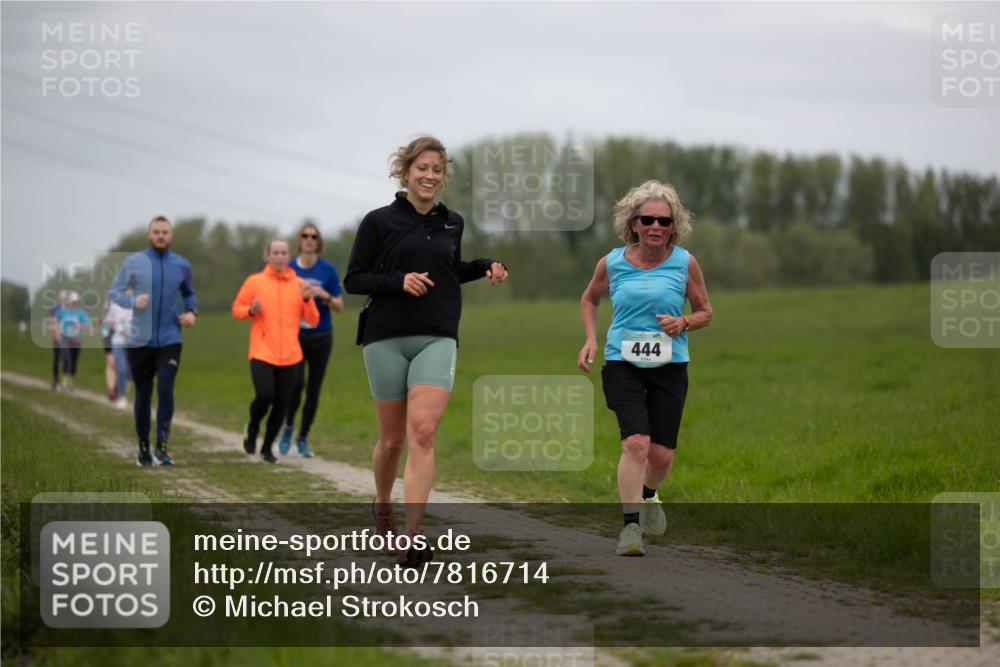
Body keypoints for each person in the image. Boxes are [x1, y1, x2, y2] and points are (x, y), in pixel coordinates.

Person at [344, 135, 508, 567]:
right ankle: (383, 506)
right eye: (423, 168)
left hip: (437, 334)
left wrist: (486, 264)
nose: (430, 176)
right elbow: (354, 279)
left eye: (437, 170)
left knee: (423, 432)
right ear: (405, 171)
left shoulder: (452, 222)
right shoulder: (378, 222)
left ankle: (413, 537)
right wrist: (397, 281)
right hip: (385, 337)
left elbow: (449, 269)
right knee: (393, 440)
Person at [578, 180, 713, 557]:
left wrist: (684, 323)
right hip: (622, 361)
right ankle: (630, 529)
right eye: (648, 219)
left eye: (665, 221)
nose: (656, 227)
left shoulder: (685, 262)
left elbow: (706, 312)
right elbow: (589, 299)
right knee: (635, 443)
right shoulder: (613, 262)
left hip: (669, 364)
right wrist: (590, 339)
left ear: (675, 225)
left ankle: (650, 494)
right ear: (633, 223)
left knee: (662, 455)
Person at [109, 215, 197, 467]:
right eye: (156, 232)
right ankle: (144, 447)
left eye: (165, 232)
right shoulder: (134, 262)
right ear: (150, 235)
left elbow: (189, 293)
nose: (161, 236)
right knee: (144, 394)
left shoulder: (181, 265)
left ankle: (162, 445)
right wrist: (133, 301)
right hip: (140, 339)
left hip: (170, 337)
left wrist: (191, 312)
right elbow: (114, 292)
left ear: (171, 236)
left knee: (166, 388)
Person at [232, 239, 320, 464]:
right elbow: (237, 309)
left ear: (288, 256)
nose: (280, 256)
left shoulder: (299, 284)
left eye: (284, 252)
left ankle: (267, 447)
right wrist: (251, 310)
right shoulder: (255, 281)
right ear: (268, 255)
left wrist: (308, 299)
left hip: (290, 354)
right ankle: (252, 427)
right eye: (276, 252)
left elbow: (312, 319)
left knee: (282, 403)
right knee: (265, 395)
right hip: (262, 351)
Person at [277, 222, 344, 458]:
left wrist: (324, 295)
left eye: (313, 236)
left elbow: (339, 306)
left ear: (318, 241)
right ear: (299, 241)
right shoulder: (289, 269)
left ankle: (303, 438)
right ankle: (287, 429)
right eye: (304, 236)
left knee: (313, 389)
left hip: (321, 336)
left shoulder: (327, 270)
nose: (308, 239)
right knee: (295, 386)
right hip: (295, 336)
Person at [55, 291, 92, 392]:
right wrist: (57, 333)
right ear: (69, 302)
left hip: (77, 340)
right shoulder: (63, 311)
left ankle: (70, 382)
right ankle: (65, 380)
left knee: (74, 361)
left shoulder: (81, 313)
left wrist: (81, 326)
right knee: (67, 359)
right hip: (65, 338)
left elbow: (88, 328)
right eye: (73, 301)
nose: (74, 303)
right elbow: (56, 320)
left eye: (76, 302)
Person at [105, 298, 134, 409]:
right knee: (121, 369)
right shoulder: (114, 304)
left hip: (133, 344)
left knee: (131, 373)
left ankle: (118, 387)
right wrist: (108, 350)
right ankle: (122, 397)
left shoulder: (139, 301)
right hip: (118, 342)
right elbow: (105, 326)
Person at [49, 290, 69, 390]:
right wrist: (55, 336)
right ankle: (56, 381)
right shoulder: (55, 309)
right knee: (57, 358)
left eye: (66, 299)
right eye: (63, 298)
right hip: (57, 337)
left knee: (66, 359)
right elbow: (53, 323)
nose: (64, 300)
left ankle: (65, 381)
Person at [101, 300, 118, 401]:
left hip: (126, 341)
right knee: (111, 364)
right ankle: (112, 389)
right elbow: (105, 329)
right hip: (111, 339)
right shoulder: (109, 304)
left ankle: (119, 390)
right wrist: (108, 351)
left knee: (124, 367)